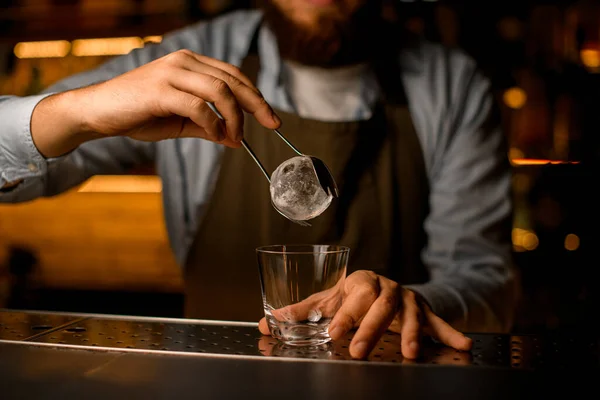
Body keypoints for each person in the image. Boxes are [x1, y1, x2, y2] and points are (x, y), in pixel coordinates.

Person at [0, 0, 519, 360]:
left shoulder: (452, 85)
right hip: (209, 381)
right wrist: (80, 111)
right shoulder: (185, 56)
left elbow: (487, 283)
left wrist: (418, 303)